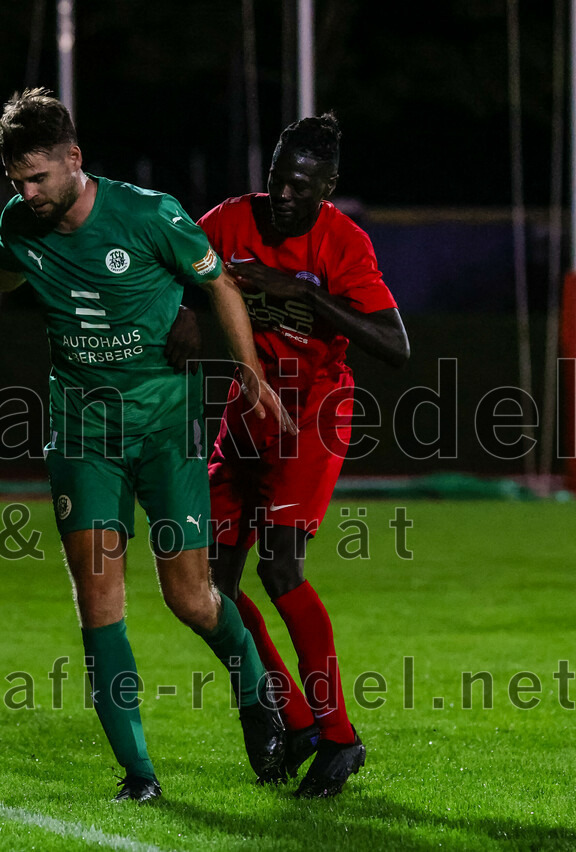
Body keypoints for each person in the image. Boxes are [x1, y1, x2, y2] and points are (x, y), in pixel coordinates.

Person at [0, 88, 295, 802]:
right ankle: (140, 775)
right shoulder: (21, 221)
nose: (27, 192)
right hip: (82, 435)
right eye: (17, 181)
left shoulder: (149, 213)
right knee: (99, 597)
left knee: (190, 599)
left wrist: (250, 372)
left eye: (38, 177)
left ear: (73, 160)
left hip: (165, 429)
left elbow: (220, 285)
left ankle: (255, 693)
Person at [196, 112, 410, 798]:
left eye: (301, 186)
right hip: (246, 412)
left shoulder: (342, 243)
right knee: (208, 588)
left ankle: (340, 737)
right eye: (277, 181)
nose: (284, 196)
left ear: (328, 187)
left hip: (313, 414)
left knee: (280, 568)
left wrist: (307, 296)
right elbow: (176, 278)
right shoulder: (228, 221)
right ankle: (294, 717)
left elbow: (396, 345)